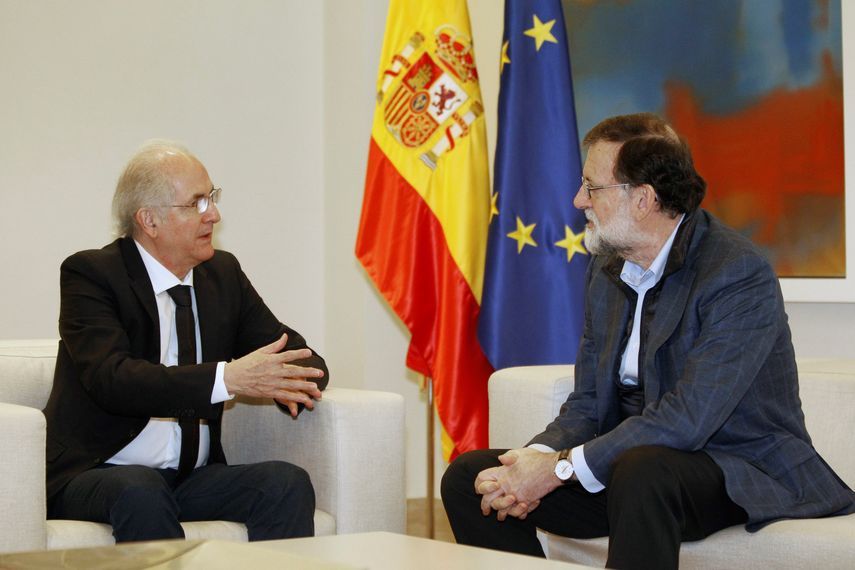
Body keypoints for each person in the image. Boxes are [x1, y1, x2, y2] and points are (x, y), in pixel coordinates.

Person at [441, 113, 855, 569]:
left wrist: (560, 468)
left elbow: (689, 417)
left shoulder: (737, 273)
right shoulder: (606, 267)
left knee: (643, 472)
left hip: (736, 466)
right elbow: (587, 402)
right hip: (633, 465)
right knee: (472, 477)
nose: (579, 200)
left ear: (642, 199)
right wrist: (535, 458)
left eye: (592, 187)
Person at [44, 140, 329, 542]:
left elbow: (301, 359)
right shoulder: (92, 274)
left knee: (284, 482)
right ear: (149, 220)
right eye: (196, 202)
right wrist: (228, 379)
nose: (214, 214)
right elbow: (112, 380)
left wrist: (289, 379)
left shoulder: (221, 275)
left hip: (192, 477)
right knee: (140, 489)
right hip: (98, 471)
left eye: (212, 197)